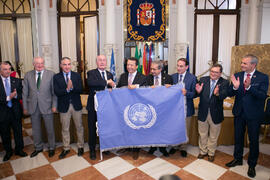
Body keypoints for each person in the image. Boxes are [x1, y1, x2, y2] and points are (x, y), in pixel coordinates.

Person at [225, 54, 269, 178]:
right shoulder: (238, 75)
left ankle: (252, 164)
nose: (242, 65)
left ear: (253, 65)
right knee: (238, 137)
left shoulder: (263, 77)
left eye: (245, 63)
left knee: (254, 140)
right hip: (239, 112)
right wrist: (234, 87)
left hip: (254, 114)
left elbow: (262, 96)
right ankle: (237, 159)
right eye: (242, 62)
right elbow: (229, 92)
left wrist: (249, 87)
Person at [22, 57, 56, 158]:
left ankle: (51, 147)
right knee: (35, 129)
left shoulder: (51, 74)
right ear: (33, 64)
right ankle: (38, 147)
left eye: (41, 63)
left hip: (47, 106)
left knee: (50, 128)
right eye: (37, 63)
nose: (40, 65)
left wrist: (54, 105)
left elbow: (54, 93)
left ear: (44, 63)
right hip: (33, 106)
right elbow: (24, 93)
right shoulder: (28, 75)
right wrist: (25, 107)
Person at [195, 64, 229, 162]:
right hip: (203, 111)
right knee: (202, 133)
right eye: (212, 71)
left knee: (214, 135)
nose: (213, 74)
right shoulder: (203, 80)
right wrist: (198, 92)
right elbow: (197, 92)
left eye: (216, 72)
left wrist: (217, 93)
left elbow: (224, 95)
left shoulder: (225, 82)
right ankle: (203, 151)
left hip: (216, 113)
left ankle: (211, 153)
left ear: (220, 73)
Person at [53, 57, 84, 159]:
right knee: (65, 128)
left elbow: (81, 89)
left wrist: (72, 88)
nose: (67, 66)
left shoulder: (76, 75)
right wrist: (67, 89)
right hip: (64, 106)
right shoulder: (56, 77)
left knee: (79, 127)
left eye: (69, 64)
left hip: (76, 105)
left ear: (71, 65)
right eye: (64, 64)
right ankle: (66, 148)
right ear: (61, 65)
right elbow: (57, 92)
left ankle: (80, 146)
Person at [117, 57, 147, 160]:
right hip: (124, 106)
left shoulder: (143, 77)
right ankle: (127, 146)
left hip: (137, 108)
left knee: (136, 128)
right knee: (126, 127)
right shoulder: (122, 76)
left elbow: (147, 90)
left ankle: (136, 150)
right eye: (128, 65)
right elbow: (119, 90)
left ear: (137, 66)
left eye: (131, 65)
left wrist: (136, 86)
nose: (129, 67)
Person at [86, 55, 115, 160]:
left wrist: (113, 87)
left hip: (106, 107)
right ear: (96, 62)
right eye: (100, 60)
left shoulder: (110, 74)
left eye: (104, 60)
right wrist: (107, 82)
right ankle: (92, 149)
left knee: (106, 127)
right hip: (93, 106)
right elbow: (91, 83)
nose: (102, 62)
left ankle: (105, 147)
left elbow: (111, 87)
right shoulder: (91, 73)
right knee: (92, 128)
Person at [0, 62, 27, 161]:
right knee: (5, 133)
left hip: (15, 111)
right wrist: (8, 98)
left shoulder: (16, 81)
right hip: (3, 112)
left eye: (9, 69)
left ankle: (19, 149)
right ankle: (8, 151)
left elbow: (22, 94)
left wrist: (15, 95)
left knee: (18, 131)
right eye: (5, 69)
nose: (8, 71)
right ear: (0, 70)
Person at [170, 58, 197, 157]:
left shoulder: (192, 78)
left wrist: (187, 93)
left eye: (181, 66)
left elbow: (195, 94)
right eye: (178, 65)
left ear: (187, 67)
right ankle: (174, 146)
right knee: (174, 128)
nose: (179, 68)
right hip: (174, 109)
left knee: (185, 129)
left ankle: (183, 148)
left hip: (187, 108)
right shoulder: (172, 77)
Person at [146, 60, 173, 157]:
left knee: (163, 128)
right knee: (152, 127)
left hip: (164, 108)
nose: (152, 71)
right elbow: (143, 91)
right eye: (151, 69)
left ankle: (163, 147)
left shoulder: (168, 78)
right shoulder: (147, 78)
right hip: (152, 107)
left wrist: (169, 88)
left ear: (160, 69)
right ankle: (153, 146)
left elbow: (171, 94)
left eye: (154, 69)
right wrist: (149, 88)